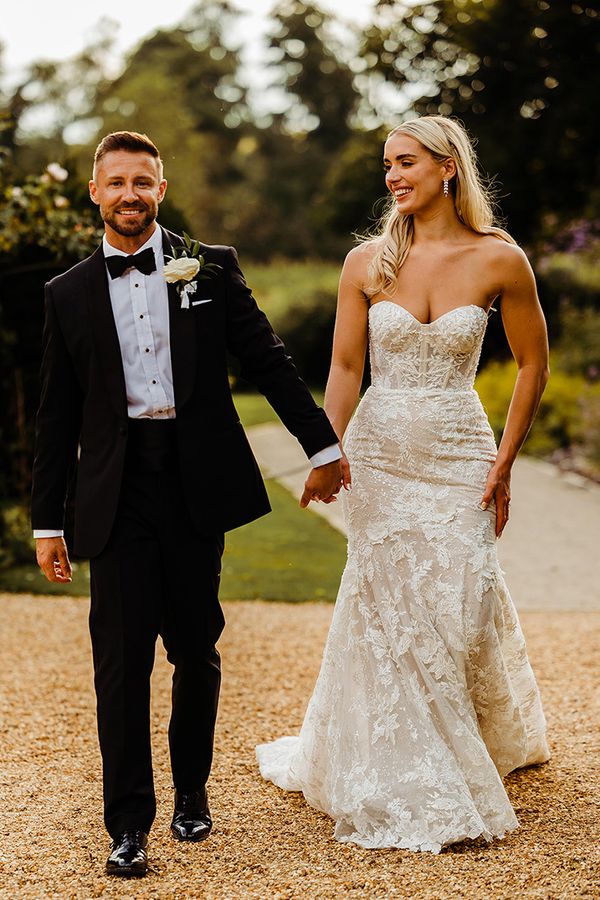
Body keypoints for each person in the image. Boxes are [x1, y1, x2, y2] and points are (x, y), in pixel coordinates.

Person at [31, 130, 342, 877]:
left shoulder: (212, 267)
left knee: (195, 649)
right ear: (96, 192)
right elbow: (56, 415)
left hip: (195, 480)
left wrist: (323, 447)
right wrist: (48, 521)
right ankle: (128, 824)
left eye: (144, 181)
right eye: (117, 183)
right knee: (120, 663)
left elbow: (268, 359)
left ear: (161, 189)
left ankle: (192, 794)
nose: (131, 194)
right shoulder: (67, 293)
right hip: (117, 488)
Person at [256, 115, 551, 853]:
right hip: (381, 453)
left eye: (406, 162)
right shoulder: (367, 262)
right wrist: (327, 452)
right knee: (388, 605)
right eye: (387, 164)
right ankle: (401, 764)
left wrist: (505, 459)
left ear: (448, 167)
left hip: (459, 450)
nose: (392, 176)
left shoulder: (501, 260)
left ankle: (472, 731)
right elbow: (347, 370)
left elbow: (533, 365)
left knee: (461, 592)